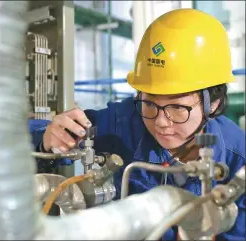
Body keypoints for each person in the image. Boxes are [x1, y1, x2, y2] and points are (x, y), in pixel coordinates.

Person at [30, 8, 245, 241]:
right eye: (150, 103)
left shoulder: (237, 159)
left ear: (213, 102)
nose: (161, 122)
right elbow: (34, 133)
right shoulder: (122, 121)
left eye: (177, 108)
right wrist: (47, 138)